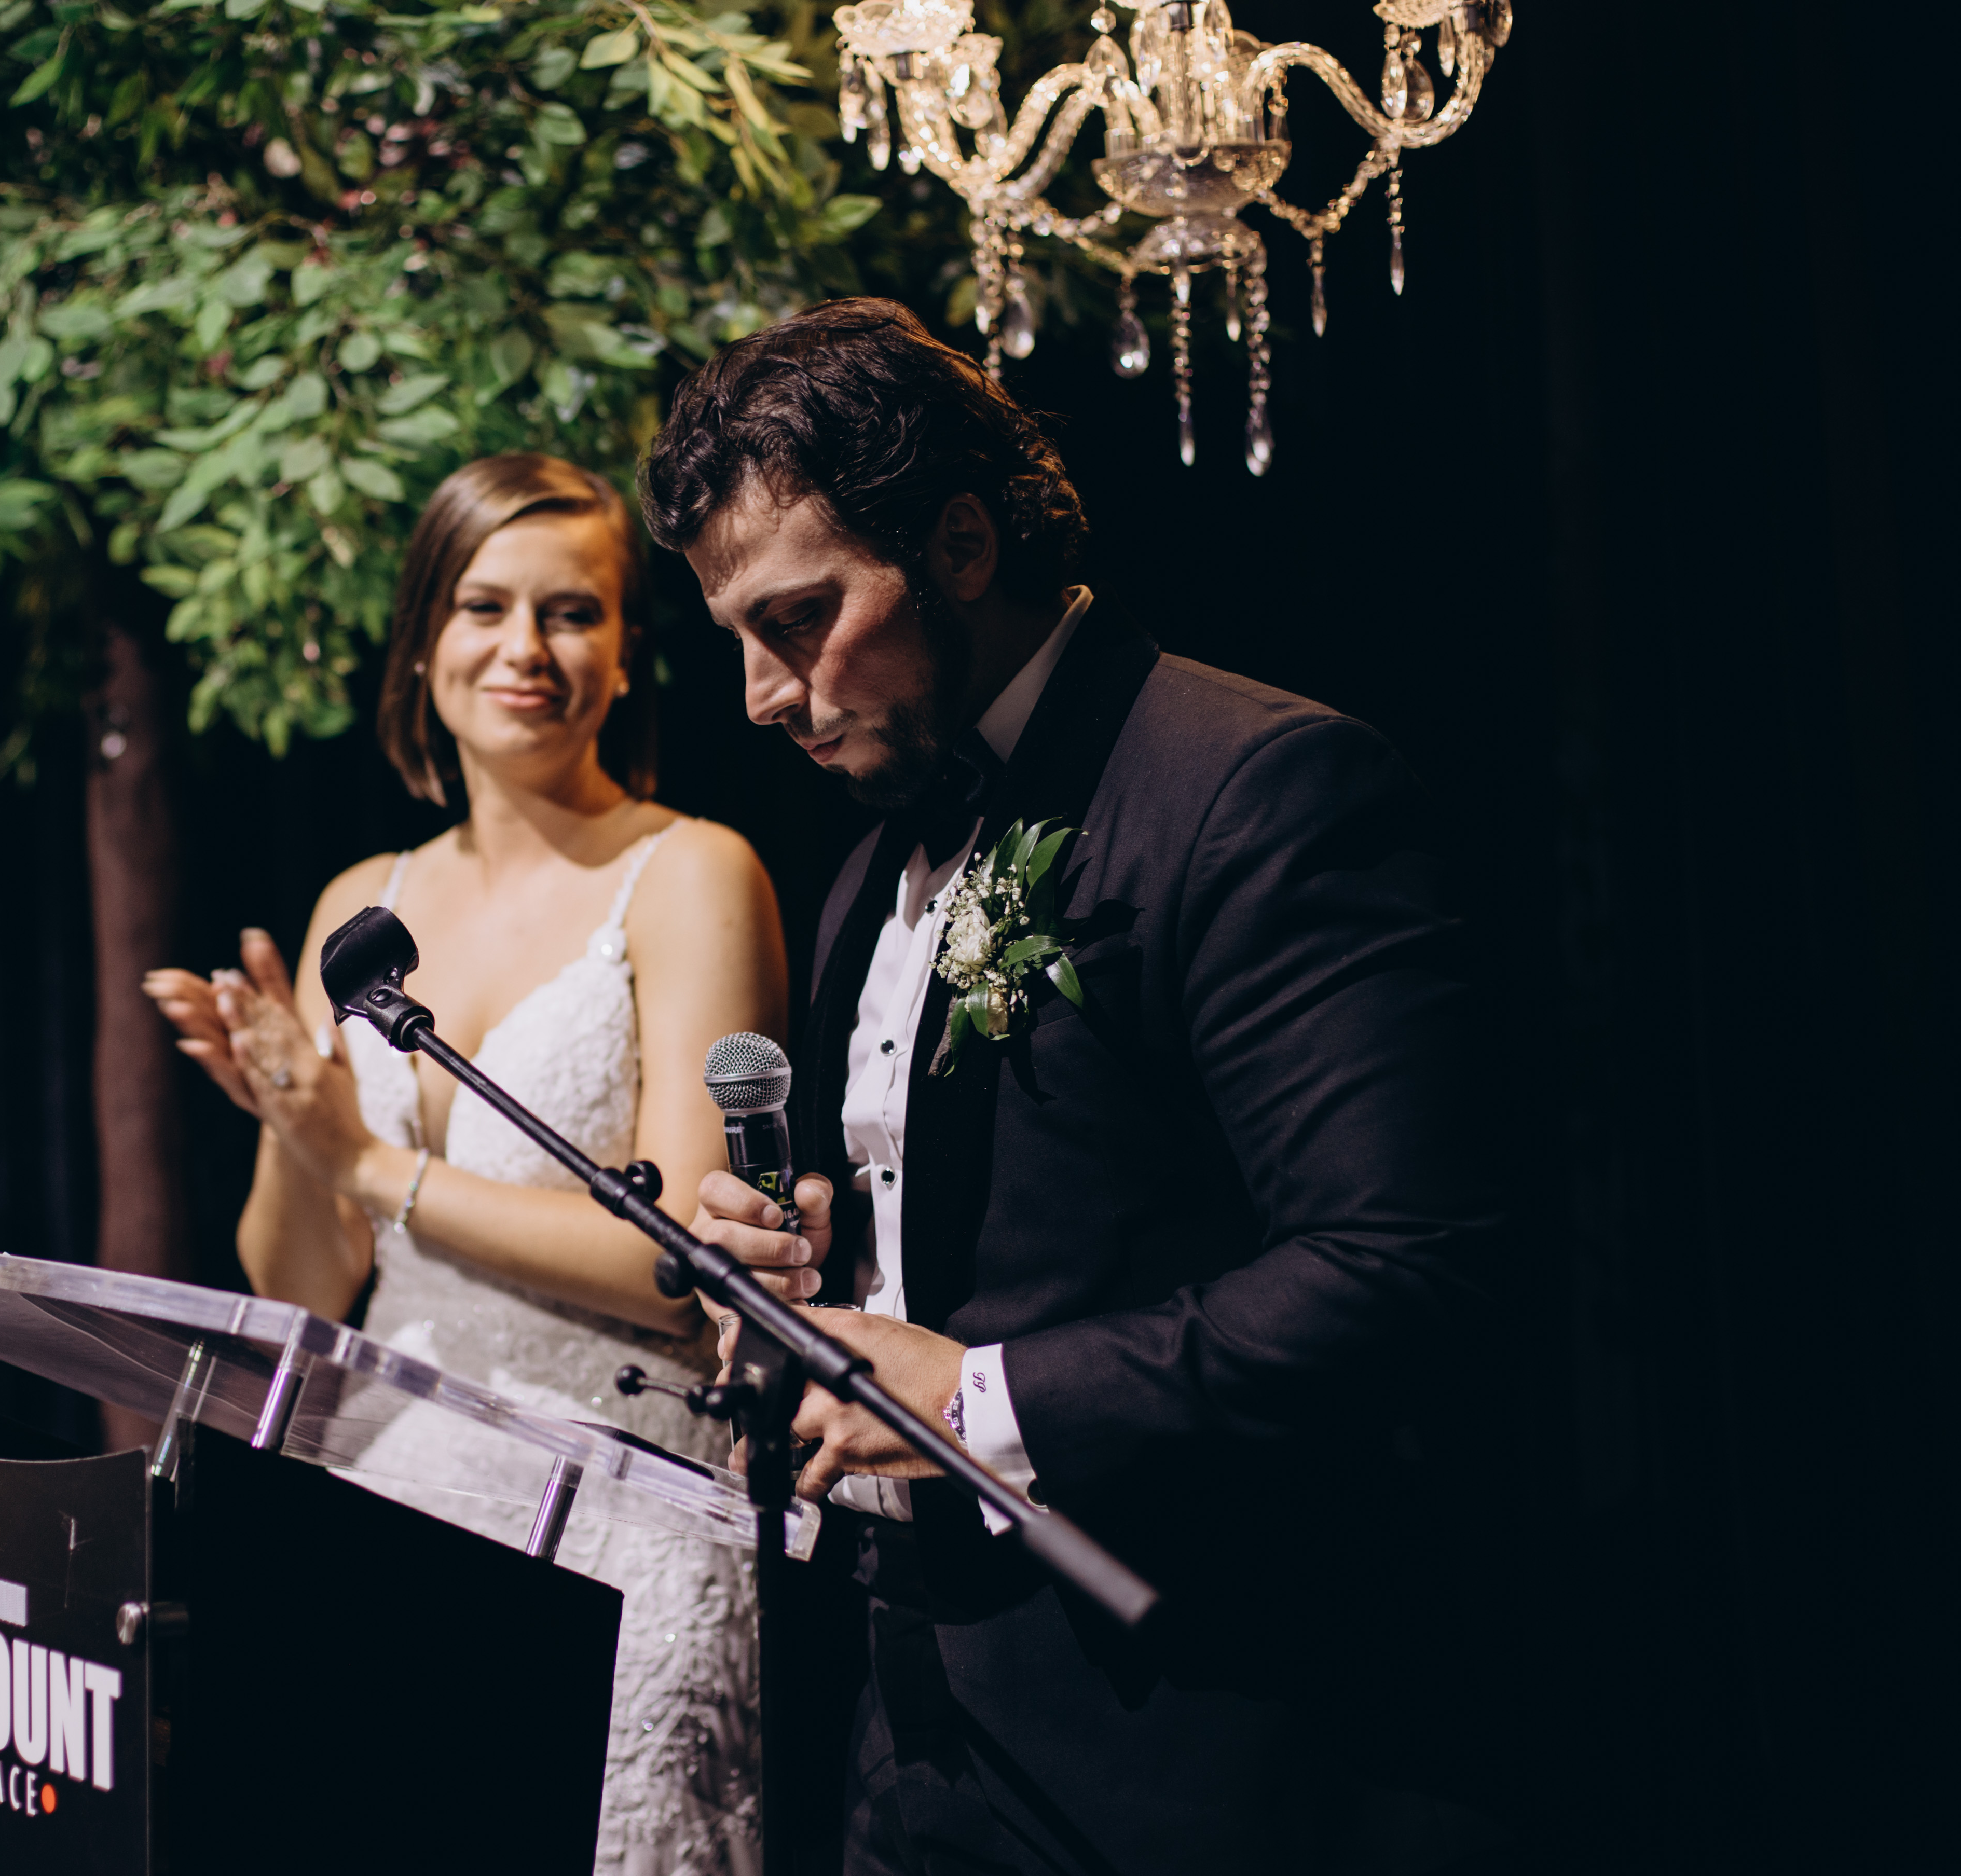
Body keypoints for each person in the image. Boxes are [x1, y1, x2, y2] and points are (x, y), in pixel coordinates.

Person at [643, 301, 1516, 1875]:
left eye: (800, 618)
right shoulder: (865, 874)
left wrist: (976, 1401)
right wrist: (798, 1273)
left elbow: (1405, 1268)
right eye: (737, 640)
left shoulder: (1255, 786)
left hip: (1203, 1730)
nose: (763, 694)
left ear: (963, 544)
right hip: (913, 1726)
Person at [144, 452, 790, 1876]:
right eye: (485, 607)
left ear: (627, 652)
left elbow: (682, 1268)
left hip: (618, 1506)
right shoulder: (360, 900)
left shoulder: (690, 873)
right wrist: (298, 1127)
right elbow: (304, 1284)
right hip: (388, 1492)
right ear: (425, 643)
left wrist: (370, 1166)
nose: (525, 649)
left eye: (572, 612)